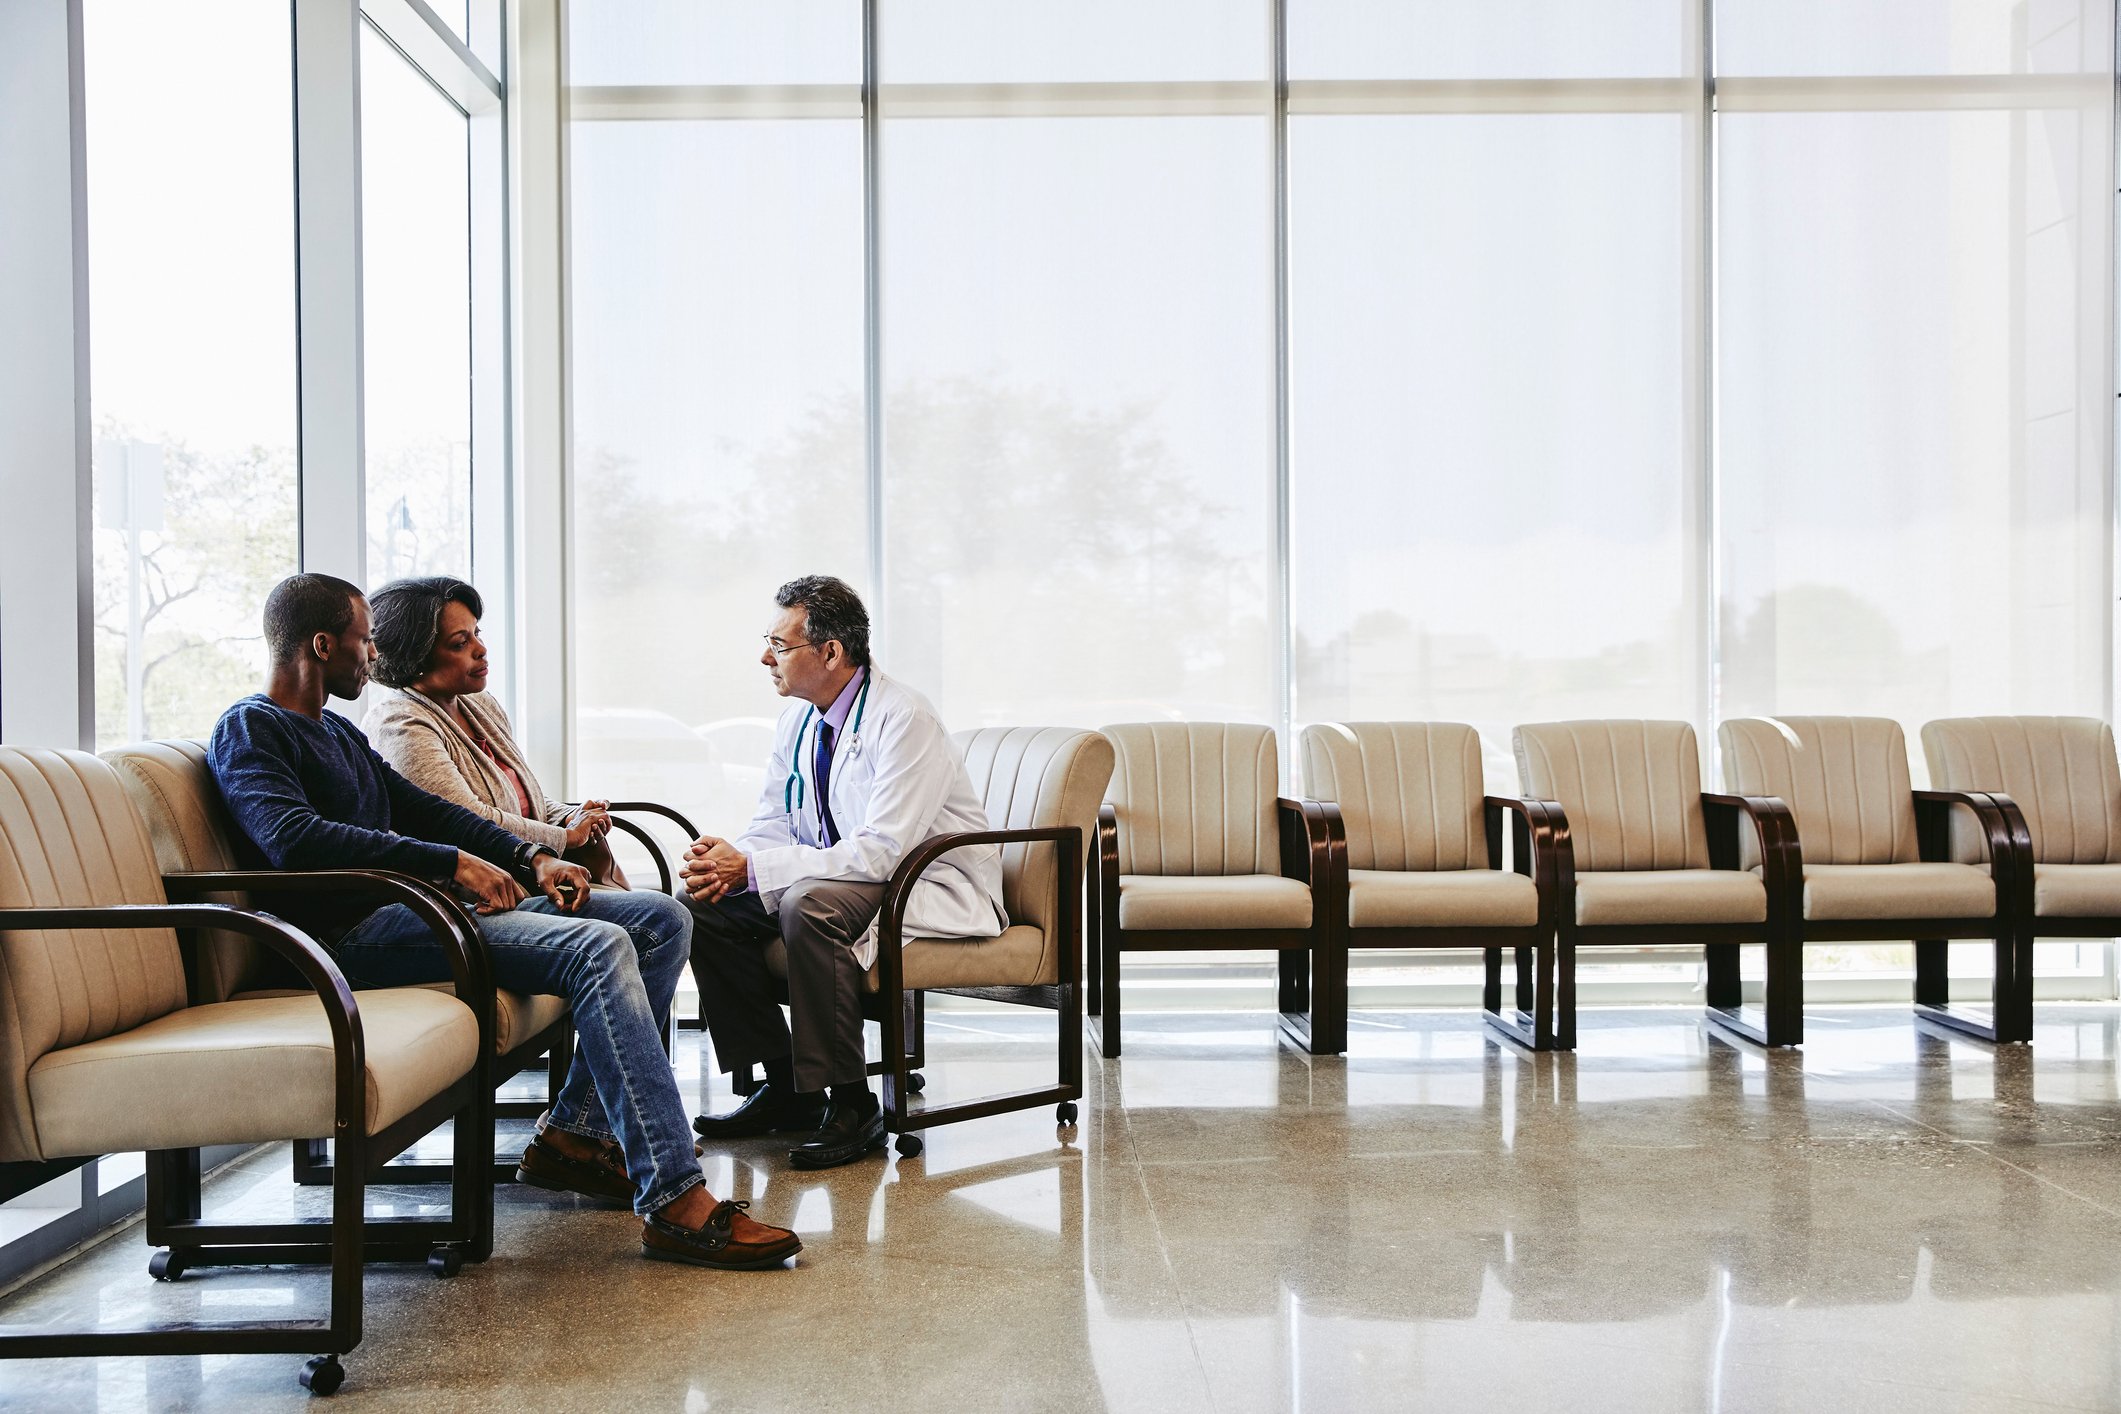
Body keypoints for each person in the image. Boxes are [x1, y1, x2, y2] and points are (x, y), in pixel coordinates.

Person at [208, 573, 799, 1271]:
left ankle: (574, 1137)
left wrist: (529, 856)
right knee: (599, 948)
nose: (372, 656)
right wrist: (451, 863)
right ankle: (673, 1197)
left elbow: (424, 810)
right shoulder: (252, 727)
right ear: (321, 643)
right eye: (364, 641)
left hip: (415, 916)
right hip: (349, 940)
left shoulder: (333, 730)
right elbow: (292, 838)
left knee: (661, 919)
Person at [686, 574, 1005, 1170]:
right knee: (699, 906)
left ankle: (853, 1104)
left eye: (779, 645)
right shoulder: (800, 719)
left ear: (830, 653)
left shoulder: (904, 717)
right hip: (846, 873)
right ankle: (785, 1089)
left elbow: (883, 850)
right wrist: (731, 862)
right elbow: (777, 821)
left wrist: (755, 867)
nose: (765, 657)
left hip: (923, 878)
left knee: (808, 906)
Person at [363, 576, 624, 887]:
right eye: (461, 643)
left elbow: (520, 800)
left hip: (536, 876)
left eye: (477, 634)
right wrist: (566, 836)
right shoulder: (400, 723)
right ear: (415, 657)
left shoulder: (478, 703)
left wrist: (570, 815)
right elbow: (467, 820)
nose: (482, 649)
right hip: (480, 895)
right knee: (661, 914)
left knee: (662, 912)